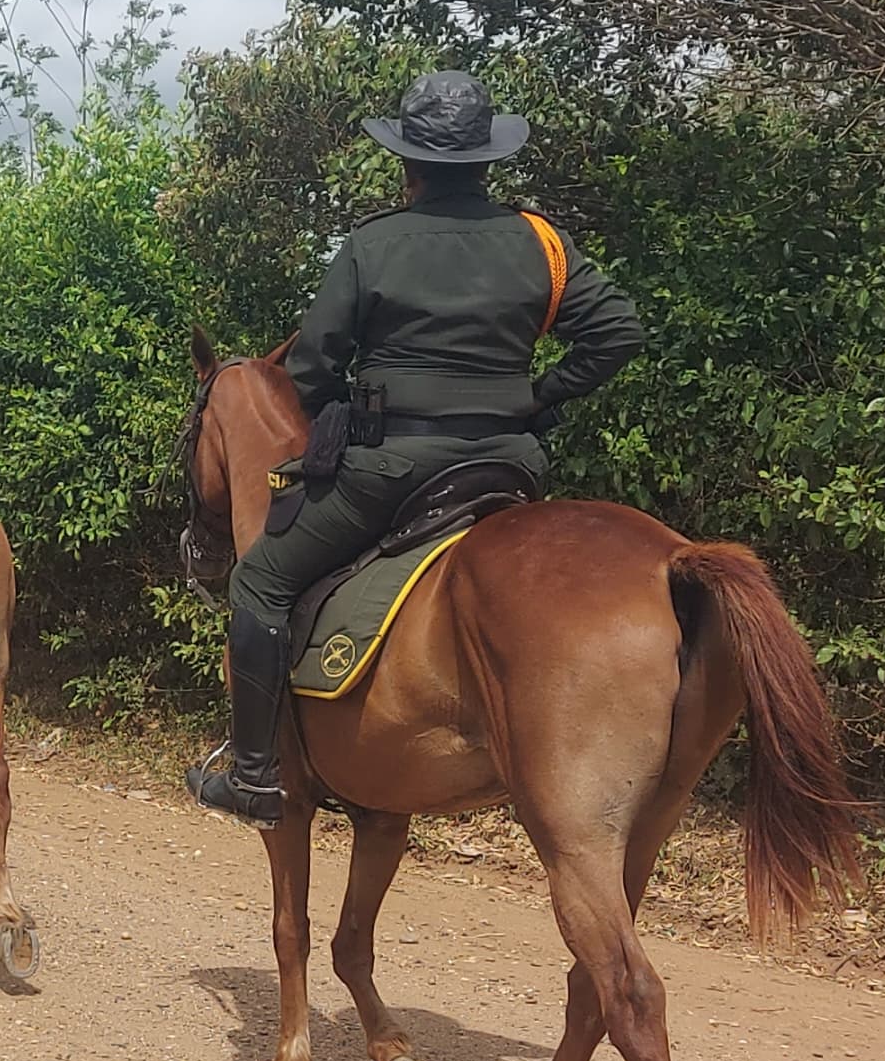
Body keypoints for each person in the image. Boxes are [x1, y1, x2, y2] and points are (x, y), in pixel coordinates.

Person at [186, 71, 642, 824]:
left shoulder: (373, 244)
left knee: (260, 581)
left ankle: (256, 776)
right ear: (487, 161)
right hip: (508, 468)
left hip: (393, 471)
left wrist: (343, 417)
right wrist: (540, 396)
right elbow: (617, 332)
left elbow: (311, 369)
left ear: (409, 165)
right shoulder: (541, 242)